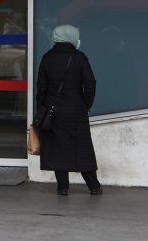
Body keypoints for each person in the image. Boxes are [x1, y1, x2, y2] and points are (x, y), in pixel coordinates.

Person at [36, 24, 102, 196]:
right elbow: (90, 84)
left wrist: (41, 110)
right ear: (72, 37)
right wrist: (86, 104)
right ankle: (94, 186)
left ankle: (63, 187)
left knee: (57, 148)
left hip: (53, 110)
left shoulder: (47, 58)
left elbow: (41, 87)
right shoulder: (79, 58)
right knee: (82, 148)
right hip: (76, 110)